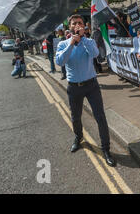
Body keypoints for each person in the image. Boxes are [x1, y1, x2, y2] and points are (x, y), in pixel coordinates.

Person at [55, 14, 116, 167]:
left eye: (80, 23)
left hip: (91, 86)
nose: (77, 25)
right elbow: (60, 61)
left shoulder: (88, 41)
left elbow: (96, 54)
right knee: (76, 117)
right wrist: (72, 43)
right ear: (70, 27)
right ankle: (78, 137)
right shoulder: (63, 44)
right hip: (74, 87)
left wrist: (82, 40)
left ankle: (106, 149)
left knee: (100, 117)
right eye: (74, 23)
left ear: (84, 26)